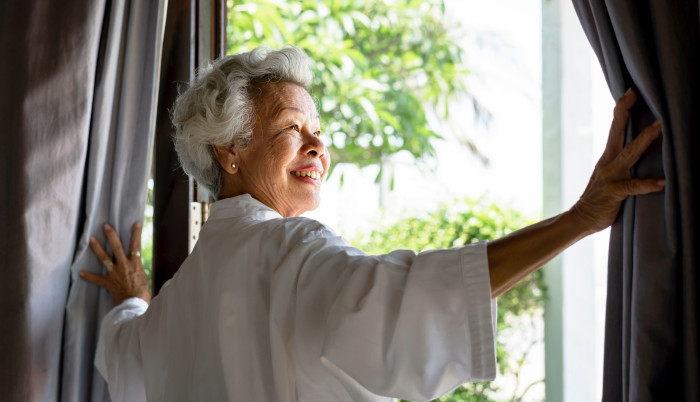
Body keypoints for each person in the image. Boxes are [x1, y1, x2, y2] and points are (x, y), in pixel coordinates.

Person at [80, 46, 664, 402]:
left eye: (318, 130)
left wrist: (133, 298)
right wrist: (581, 218)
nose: (318, 145)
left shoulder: (174, 306)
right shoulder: (290, 251)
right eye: (293, 128)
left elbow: (123, 352)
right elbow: (412, 298)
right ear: (229, 150)